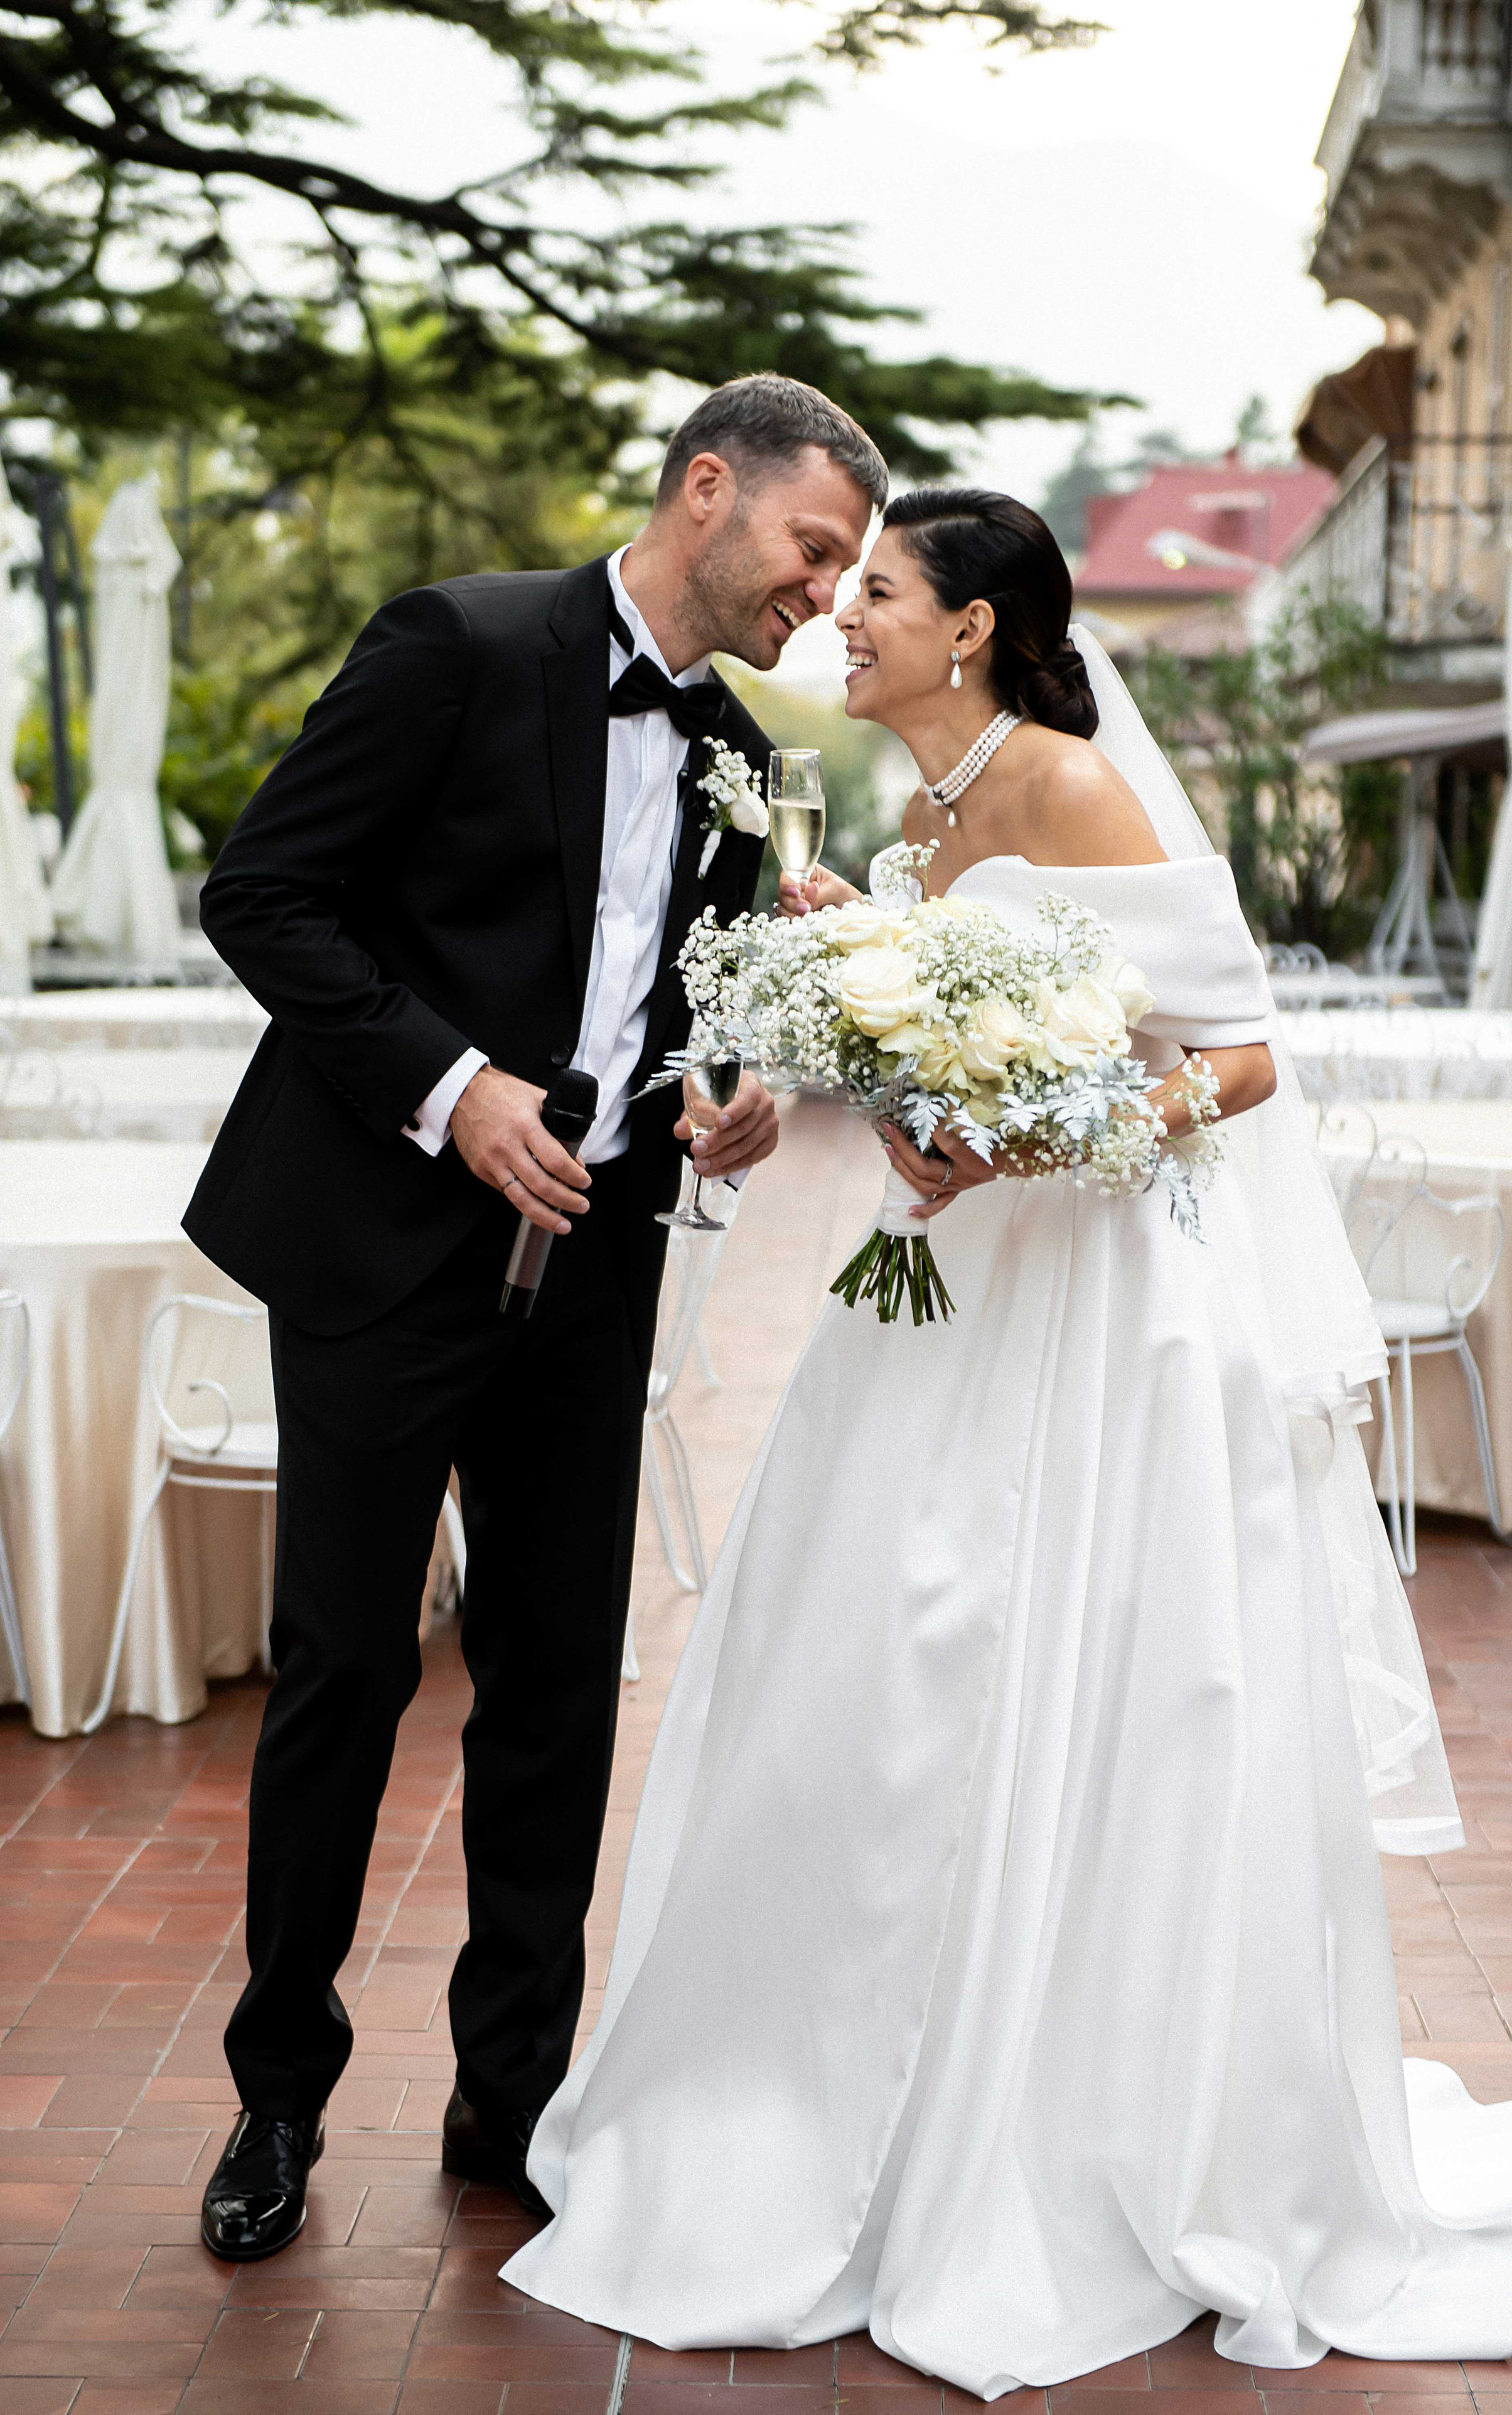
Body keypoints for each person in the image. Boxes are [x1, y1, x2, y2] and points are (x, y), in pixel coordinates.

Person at [502, 489, 1512, 2391]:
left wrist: (1032, 1133)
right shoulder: (916, 813)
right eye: (843, 590)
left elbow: (1244, 1050)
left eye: (879, 594)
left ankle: (1055, 2120)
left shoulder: (1076, 788)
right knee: (874, 1673)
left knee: (1071, 1680)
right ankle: (841, 2079)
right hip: (938, 1293)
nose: (843, 618)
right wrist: (861, 1028)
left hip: (1096, 1316)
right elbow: (941, 1031)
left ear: (979, 627)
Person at [184, 375, 885, 2262]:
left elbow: (688, 1009)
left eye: (846, 569)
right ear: (707, 490)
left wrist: (725, 1097)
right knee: (343, 1672)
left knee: (560, 1684)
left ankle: (514, 2096)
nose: (824, 592)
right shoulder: (462, 644)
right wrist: (453, 1087)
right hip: (380, 1252)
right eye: (813, 550)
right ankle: (276, 2099)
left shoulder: (743, 750)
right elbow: (260, 895)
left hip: (597, 1264)